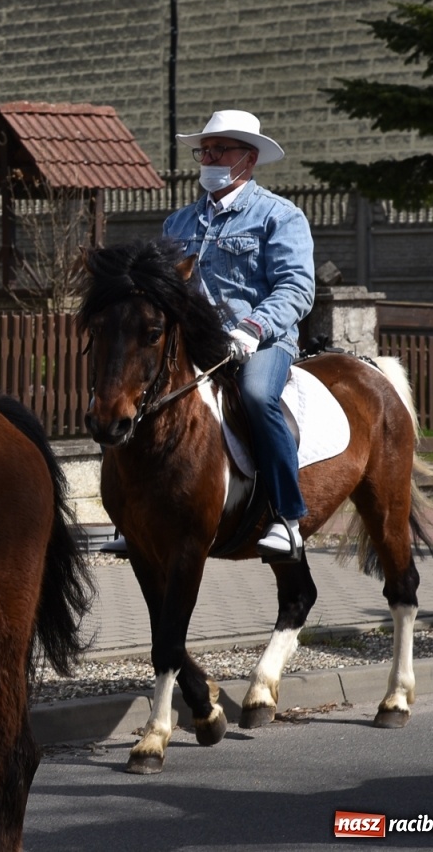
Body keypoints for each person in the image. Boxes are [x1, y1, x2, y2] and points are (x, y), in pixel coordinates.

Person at [162, 110, 316, 558]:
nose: (209, 157)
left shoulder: (279, 216)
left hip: (263, 340)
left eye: (219, 149)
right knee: (135, 391)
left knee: (255, 395)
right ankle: (129, 515)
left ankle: (287, 517)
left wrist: (253, 328)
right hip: (197, 342)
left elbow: (297, 288)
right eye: (204, 150)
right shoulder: (176, 224)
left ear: (249, 158)